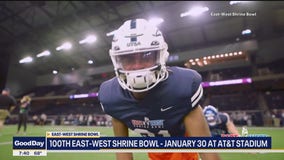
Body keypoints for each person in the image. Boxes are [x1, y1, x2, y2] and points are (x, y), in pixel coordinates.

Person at [98, 19, 221, 160]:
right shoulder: (112, 97)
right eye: (128, 58)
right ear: (117, 61)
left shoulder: (181, 88)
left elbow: (207, 151)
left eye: (147, 55)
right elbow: (123, 150)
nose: (138, 67)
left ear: (161, 56)